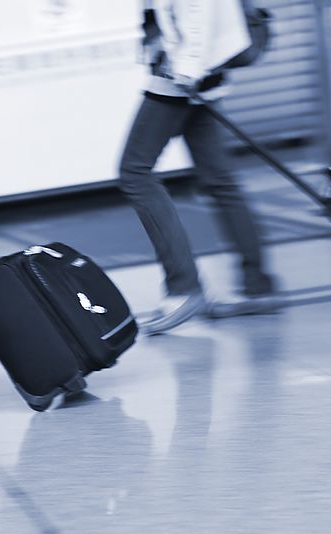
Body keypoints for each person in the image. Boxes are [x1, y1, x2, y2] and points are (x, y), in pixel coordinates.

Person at [120, 0, 280, 336]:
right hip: (198, 68)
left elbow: (197, 6)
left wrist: (188, 66)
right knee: (220, 180)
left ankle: (184, 288)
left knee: (135, 172)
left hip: (184, 73)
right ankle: (258, 284)